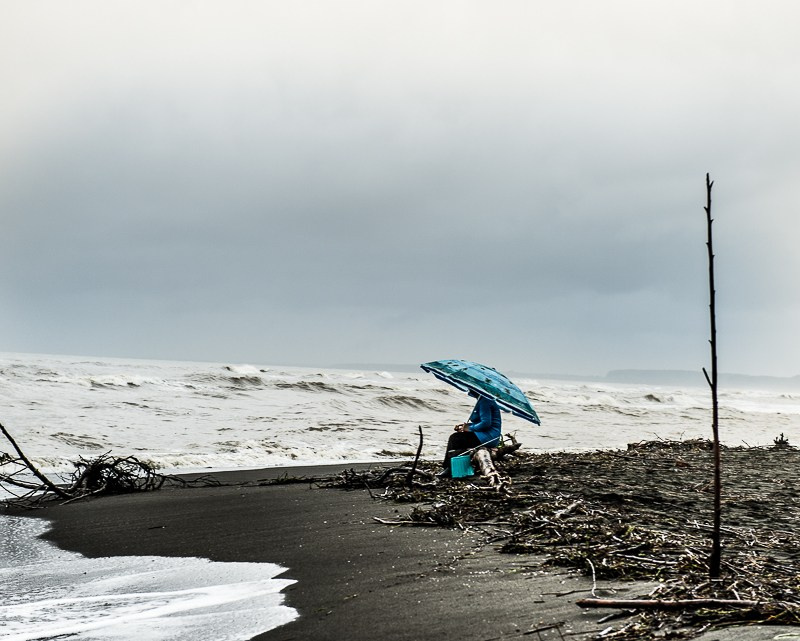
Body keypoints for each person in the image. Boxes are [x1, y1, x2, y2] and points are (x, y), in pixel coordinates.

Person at [440, 390, 502, 477]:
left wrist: (470, 428)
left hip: (488, 437)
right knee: (458, 438)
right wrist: (466, 427)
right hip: (484, 435)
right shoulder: (483, 400)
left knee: (455, 439)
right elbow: (480, 422)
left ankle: (448, 468)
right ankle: (456, 466)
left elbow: (486, 423)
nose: (469, 390)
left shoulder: (485, 401)